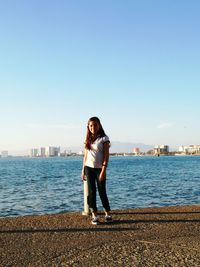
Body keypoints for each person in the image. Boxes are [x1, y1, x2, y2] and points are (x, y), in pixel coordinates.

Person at [82, 116, 112, 225]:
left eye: (95, 125)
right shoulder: (88, 139)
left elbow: (106, 156)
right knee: (91, 192)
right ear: (88, 127)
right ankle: (94, 215)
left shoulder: (104, 138)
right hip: (88, 168)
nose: (93, 127)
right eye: (90, 125)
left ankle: (107, 213)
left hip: (100, 169)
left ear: (99, 125)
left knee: (102, 191)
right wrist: (83, 170)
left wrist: (104, 170)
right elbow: (85, 156)